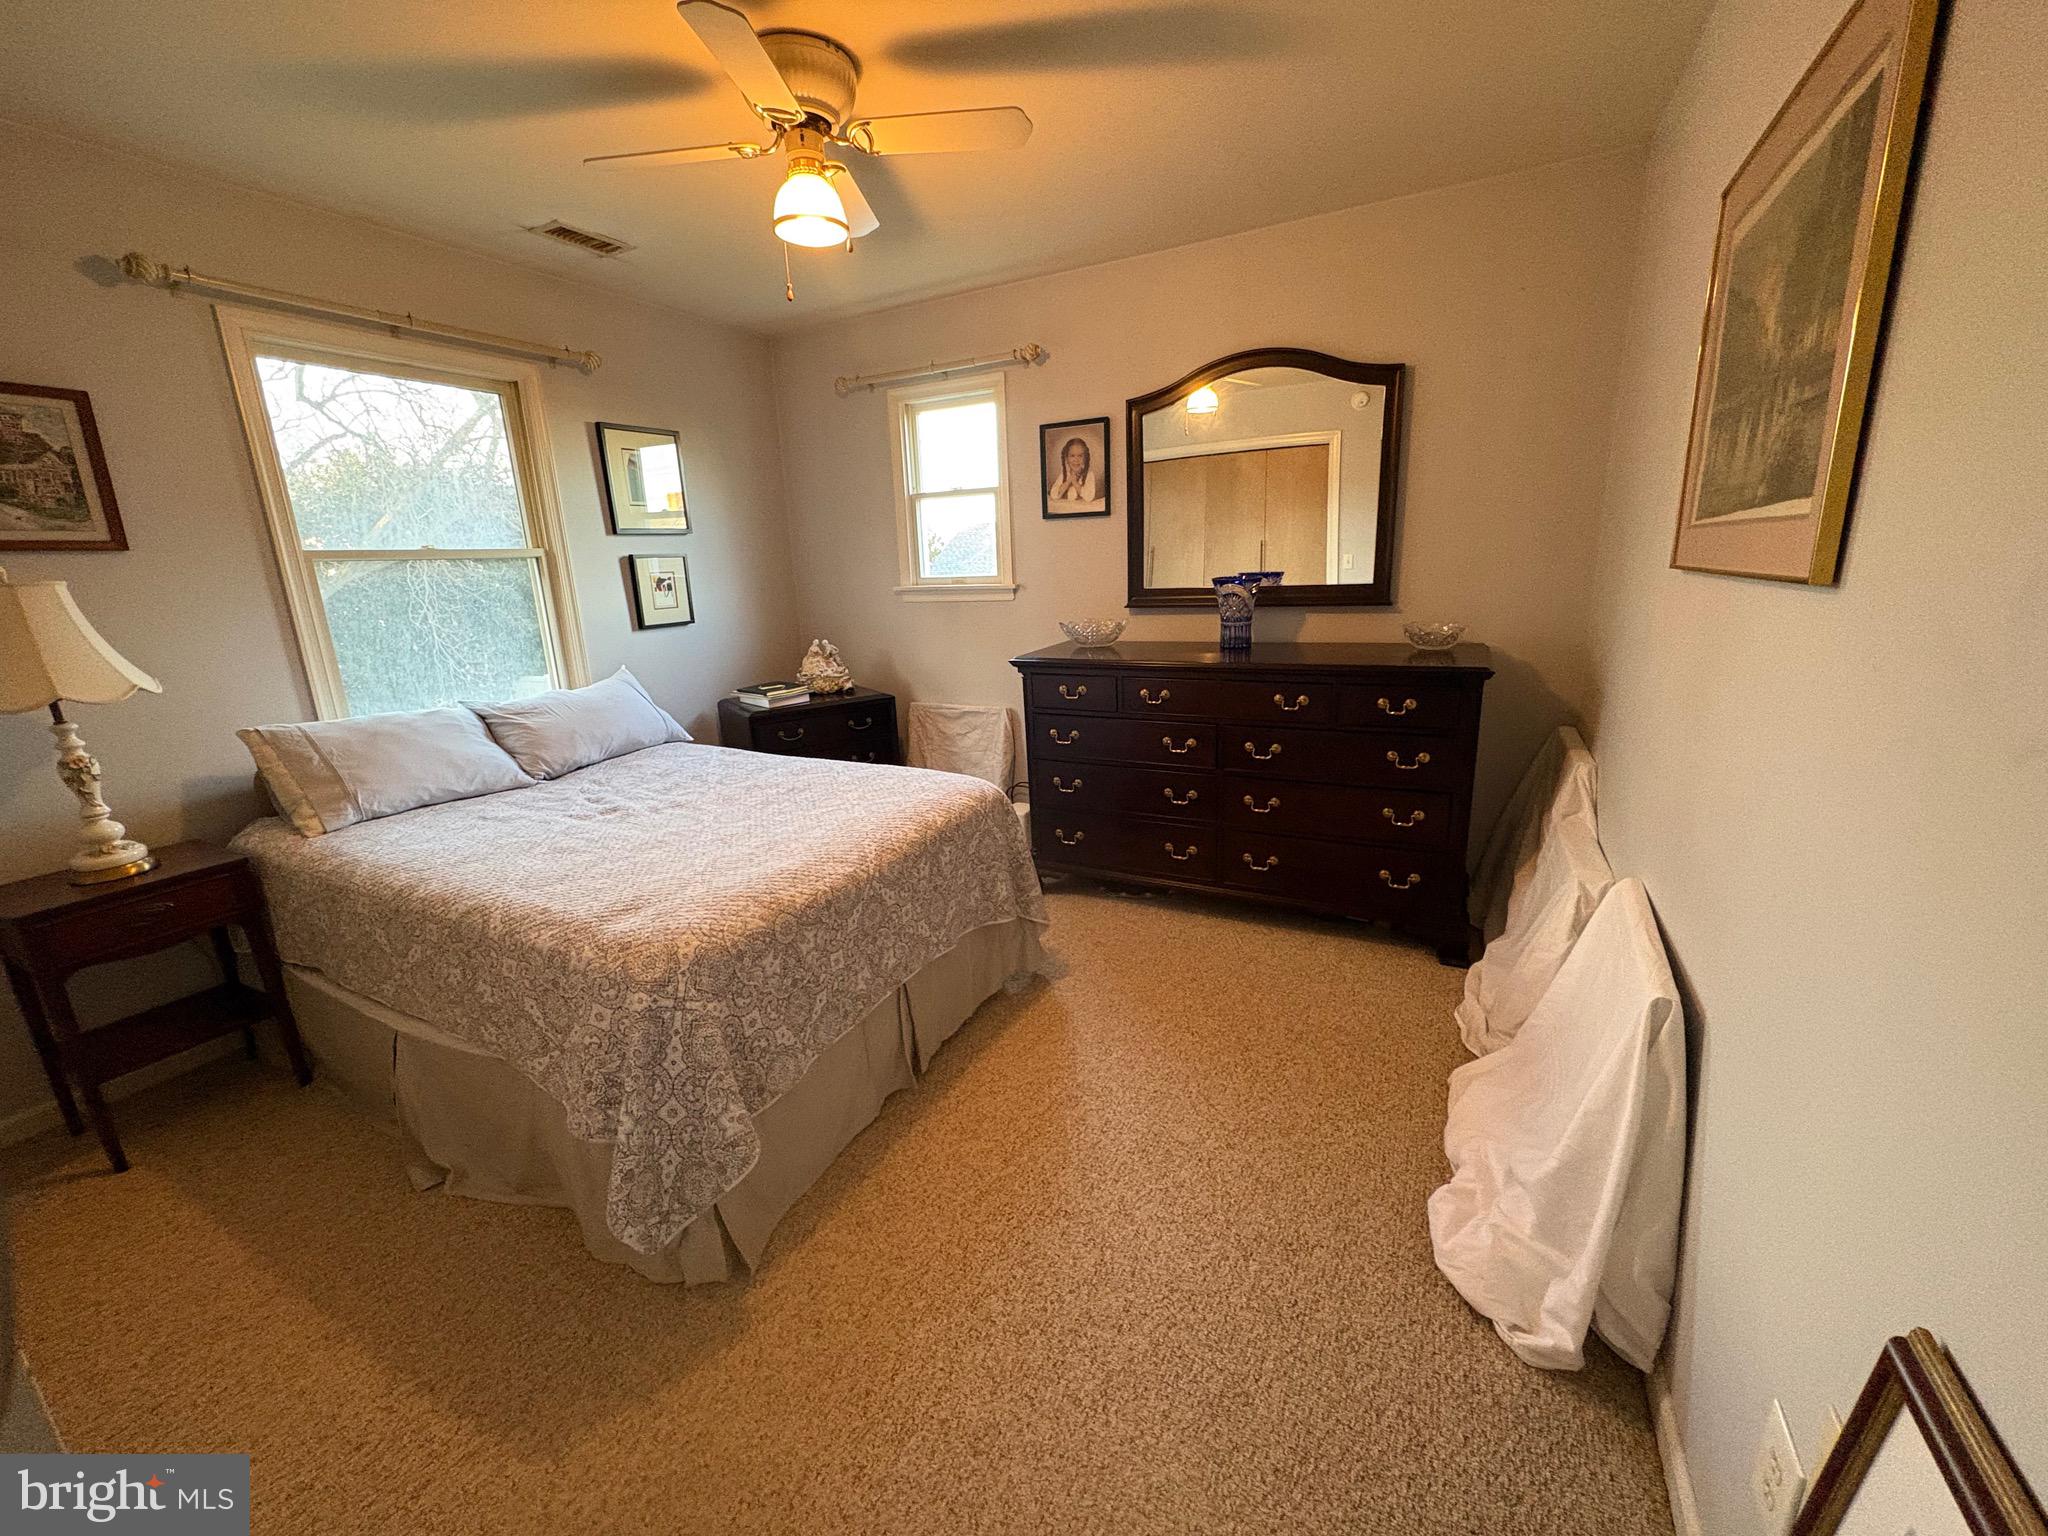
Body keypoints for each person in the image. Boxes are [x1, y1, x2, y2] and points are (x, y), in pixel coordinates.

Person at [1047, 435, 1104, 512]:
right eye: (1072, 456)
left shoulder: (1089, 475)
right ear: (1066, 459)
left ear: (1085, 458)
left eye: (1080, 456)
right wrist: (1069, 481)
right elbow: (1054, 495)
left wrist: (1075, 482)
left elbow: (1089, 497)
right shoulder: (1064, 475)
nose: (1076, 460)